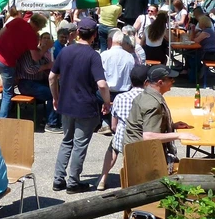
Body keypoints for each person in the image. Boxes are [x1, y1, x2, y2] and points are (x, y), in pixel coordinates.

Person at [50, 17, 111, 193]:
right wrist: (107, 102)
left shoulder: (65, 51)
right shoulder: (93, 55)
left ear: (77, 32)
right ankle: (73, 182)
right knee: (79, 145)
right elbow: (102, 84)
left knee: (66, 142)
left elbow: (52, 77)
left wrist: (55, 97)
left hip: (66, 104)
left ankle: (58, 179)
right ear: (94, 35)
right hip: (85, 106)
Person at [124, 65, 197, 161]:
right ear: (160, 82)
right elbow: (148, 136)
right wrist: (179, 135)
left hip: (133, 151)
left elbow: (143, 124)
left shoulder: (146, 94)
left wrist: (171, 125)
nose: (173, 81)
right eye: (170, 79)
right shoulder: (153, 104)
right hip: (142, 157)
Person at [0, 12, 47, 122]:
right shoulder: (30, 43)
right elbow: (31, 66)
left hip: (0, 57)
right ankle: (2, 120)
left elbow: (0, 34)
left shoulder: (19, 22)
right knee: (7, 93)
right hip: (22, 78)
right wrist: (45, 52)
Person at [97, 64, 148, 191]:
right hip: (142, 137)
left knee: (112, 148)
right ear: (147, 82)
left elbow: (114, 126)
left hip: (122, 137)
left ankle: (103, 178)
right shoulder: (149, 98)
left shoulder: (120, 97)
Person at [17, 33, 56, 131]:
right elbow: (30, 69)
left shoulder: (38, 52)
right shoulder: (26, 52)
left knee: (57, 87)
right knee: (52, 94)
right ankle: (51, 123)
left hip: (38, 81)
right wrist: (47, 66)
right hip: (27, 83)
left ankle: (50, 117)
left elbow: (46, 64)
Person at [101, 29, 136, 103]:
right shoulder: (130, 57)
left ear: (110, 40)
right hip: (125, 94)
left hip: (106, 94)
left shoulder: (104, 55)